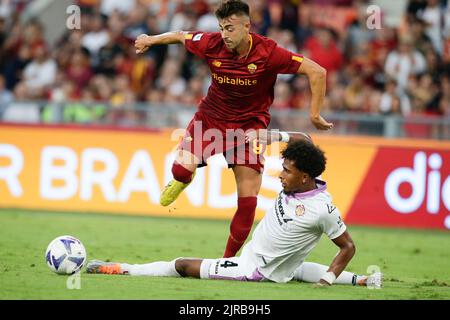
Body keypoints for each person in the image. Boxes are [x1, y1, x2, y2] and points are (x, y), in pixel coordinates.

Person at [134, 0, 333, 258]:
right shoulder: (211, 43)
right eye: (221, 28)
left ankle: (227, 262)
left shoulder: (268, 53)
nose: (224, 35)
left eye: (230, 28)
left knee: (248, 200)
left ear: (247, 26)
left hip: (249, 128)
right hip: (210, 120)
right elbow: (181, 36)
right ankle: (185, 178)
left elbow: (317, 72)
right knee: (180, 170)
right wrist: (150, 39)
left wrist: (315, 114)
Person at [86, 140, 382, 288]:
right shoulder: (297, 185)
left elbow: (348, 246)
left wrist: (327, 282)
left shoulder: (322, 209)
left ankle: (118, 268)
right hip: (275, 264)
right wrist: (279, 135)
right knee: (296, 270)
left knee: (180, 265)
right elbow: (302, 139)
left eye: (287, 172)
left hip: (254, 270)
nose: (280, 175)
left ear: (305, 177)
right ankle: (362, 281)